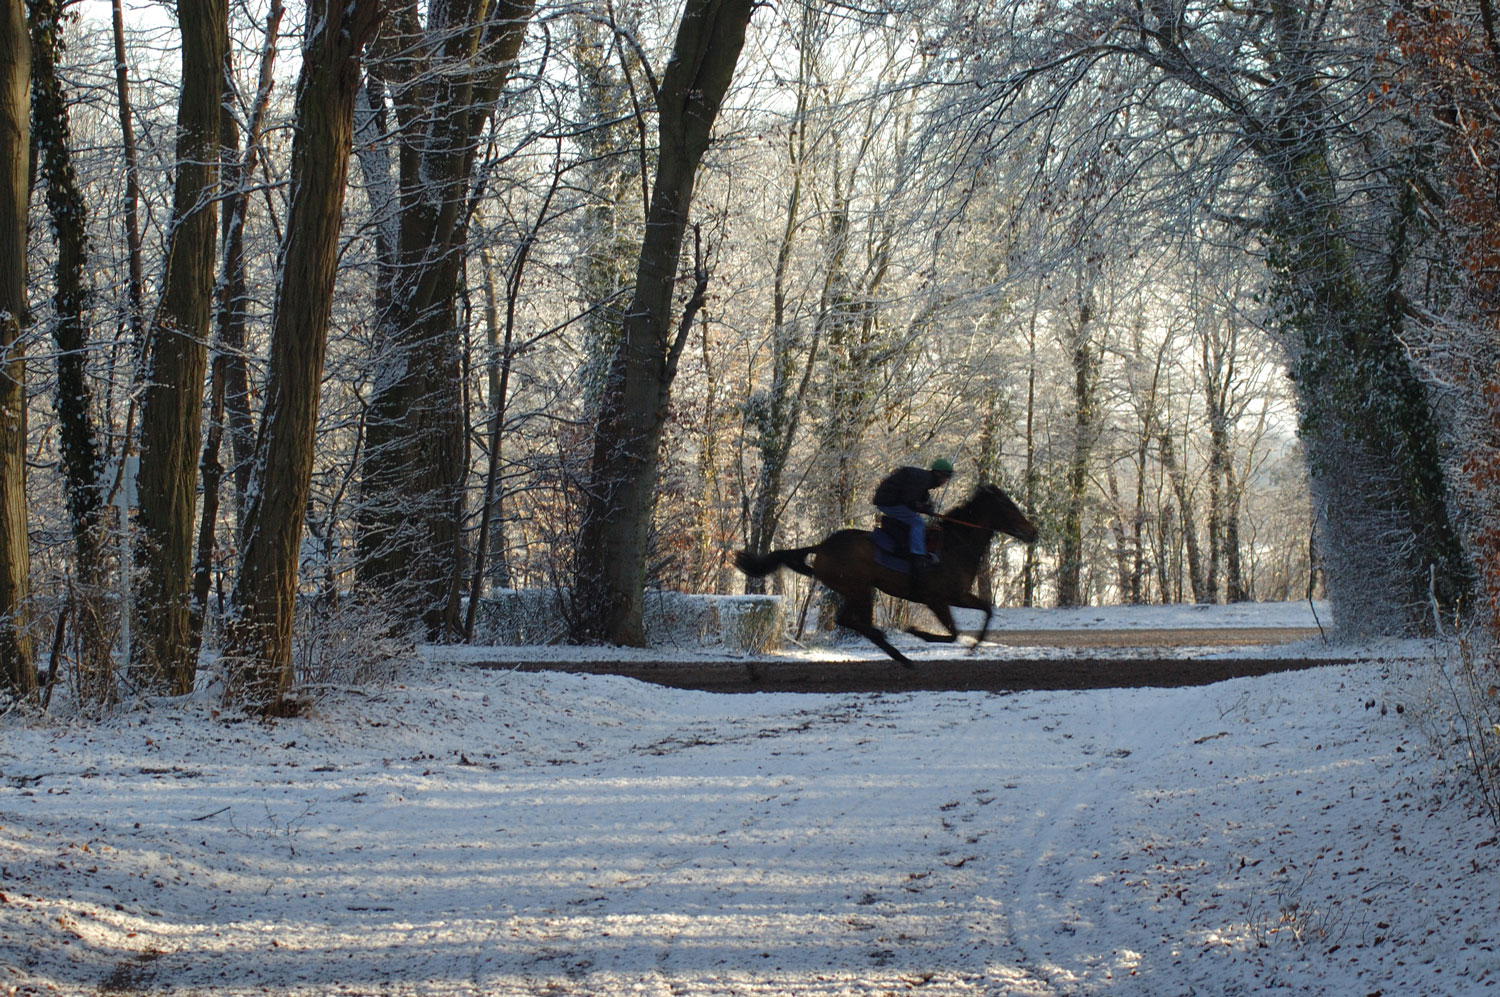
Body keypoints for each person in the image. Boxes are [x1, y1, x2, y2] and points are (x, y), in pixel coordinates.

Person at [872, 458, 953, 586]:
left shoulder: (925, 479)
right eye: (945, 478)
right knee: (917, 522)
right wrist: (924, 508)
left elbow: (916, 495)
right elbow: (910, 500)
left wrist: (926, 503)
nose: (945, 482)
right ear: (938, 474)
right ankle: (918, 555)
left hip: (889, 499)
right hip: (887, 501)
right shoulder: (923, 479)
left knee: (912, 521)